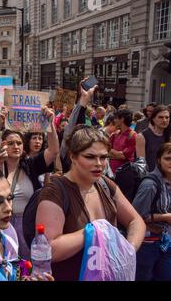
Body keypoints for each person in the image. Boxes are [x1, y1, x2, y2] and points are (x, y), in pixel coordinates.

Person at [36, 125, 146, 281]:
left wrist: (128, 250)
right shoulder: (55, 192)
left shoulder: (105, 184)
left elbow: (136, 220)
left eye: (103, 157)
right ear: (72, 156)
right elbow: (48, 249)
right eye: (90, 157)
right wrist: (93, 231)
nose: (99, 163)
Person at [0, 108, 59, 259]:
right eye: (10, 143)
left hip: (27, 226)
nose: (15, 146)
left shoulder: (31, 165)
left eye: (19, 143)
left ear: (23, 147)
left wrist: (50, 125)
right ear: (2, 144)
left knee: (26, 267)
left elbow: (54, 151)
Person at [133, 142, 171, 281]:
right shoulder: (150, 185)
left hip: (164, 242)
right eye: (168, 158)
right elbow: (134, 216)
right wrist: (165, 217)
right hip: (147, 244)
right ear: (159, 160)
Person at [136, 105, 170, 172]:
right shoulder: (142, 136)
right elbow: (141, 164)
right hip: (150, 177)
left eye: (167, 117)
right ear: (153, 119)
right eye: (161, 117)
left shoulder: (169, 136)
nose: (164, 120)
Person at [109, 109, 137, 173]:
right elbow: (106, 151)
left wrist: (111, 151)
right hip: (111, 172)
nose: (114, 120)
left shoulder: (133, 135)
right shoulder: (115, 134)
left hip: (124, 173)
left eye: (116, 118)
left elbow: (123, 156)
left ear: (122, 119)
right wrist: (117, 154)